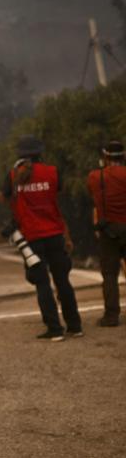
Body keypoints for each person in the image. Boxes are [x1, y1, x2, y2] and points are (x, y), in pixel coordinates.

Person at [0, 135, 82, 341]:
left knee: (42, 284)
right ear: (40, 152)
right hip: (55, 233)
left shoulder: (12, 175)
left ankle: (54, 330)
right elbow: (57, 193)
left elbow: (4, 197)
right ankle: (75, 326)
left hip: (32, 237)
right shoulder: (53, 172)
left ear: (20, 154)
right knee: (63, 280)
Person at [86, 140, 126, 327]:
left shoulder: (95, 176)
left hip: (108, 230)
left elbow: (94, 198)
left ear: (105, 157)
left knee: (110, 274)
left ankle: (111, 316)